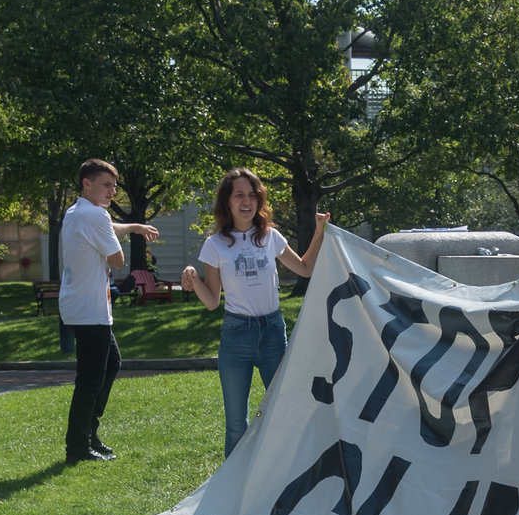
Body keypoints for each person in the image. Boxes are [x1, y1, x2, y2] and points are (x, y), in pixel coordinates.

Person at [181, 168, 328, 455]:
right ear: (227, 202)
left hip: (273, 334)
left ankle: (282, 480)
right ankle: (235, 492)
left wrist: (320, 231)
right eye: (239, 195)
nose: (246, 201)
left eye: (252, 195)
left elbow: (306, 269)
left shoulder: (270, 236)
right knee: (237, 424)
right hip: (237, 338)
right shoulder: (214, 245)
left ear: (259, 200)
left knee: (285, 413)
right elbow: (212, 301)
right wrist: (192, 276)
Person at [58, 158, 162, 465]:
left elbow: (108, 227)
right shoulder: (95, 217)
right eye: (106, 185)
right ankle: (78, 447)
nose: (112, 191)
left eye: (114, 186)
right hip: (91, 308)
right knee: (90, 379)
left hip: (77, 306)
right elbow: (117, 261)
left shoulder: (76, 212)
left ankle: (89, 434)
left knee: (112, 363)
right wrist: (117, 242)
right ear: (86, 183)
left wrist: (134, 226)